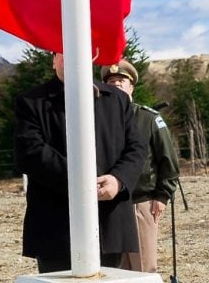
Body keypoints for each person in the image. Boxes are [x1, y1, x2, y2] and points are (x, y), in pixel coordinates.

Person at [13, 53, 147, 273]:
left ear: (91, 55)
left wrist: (118, 180)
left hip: (108, 221)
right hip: (56, 226)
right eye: (61, 52)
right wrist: (80, 181)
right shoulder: (32, 101)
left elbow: (136, 148)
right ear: (53, 61)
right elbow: (29, 152)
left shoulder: (117, 100)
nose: (70, 55)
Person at [101, 60, 180, 273]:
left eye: (121, 81)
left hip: (141, 202)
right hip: (110, 204)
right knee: (116, 271)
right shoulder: (99, 119)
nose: (116, 85)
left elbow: (168, 160)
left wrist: (162, 196)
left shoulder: (148, 118)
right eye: (111, 81)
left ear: (131, 87)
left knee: (143, 268)